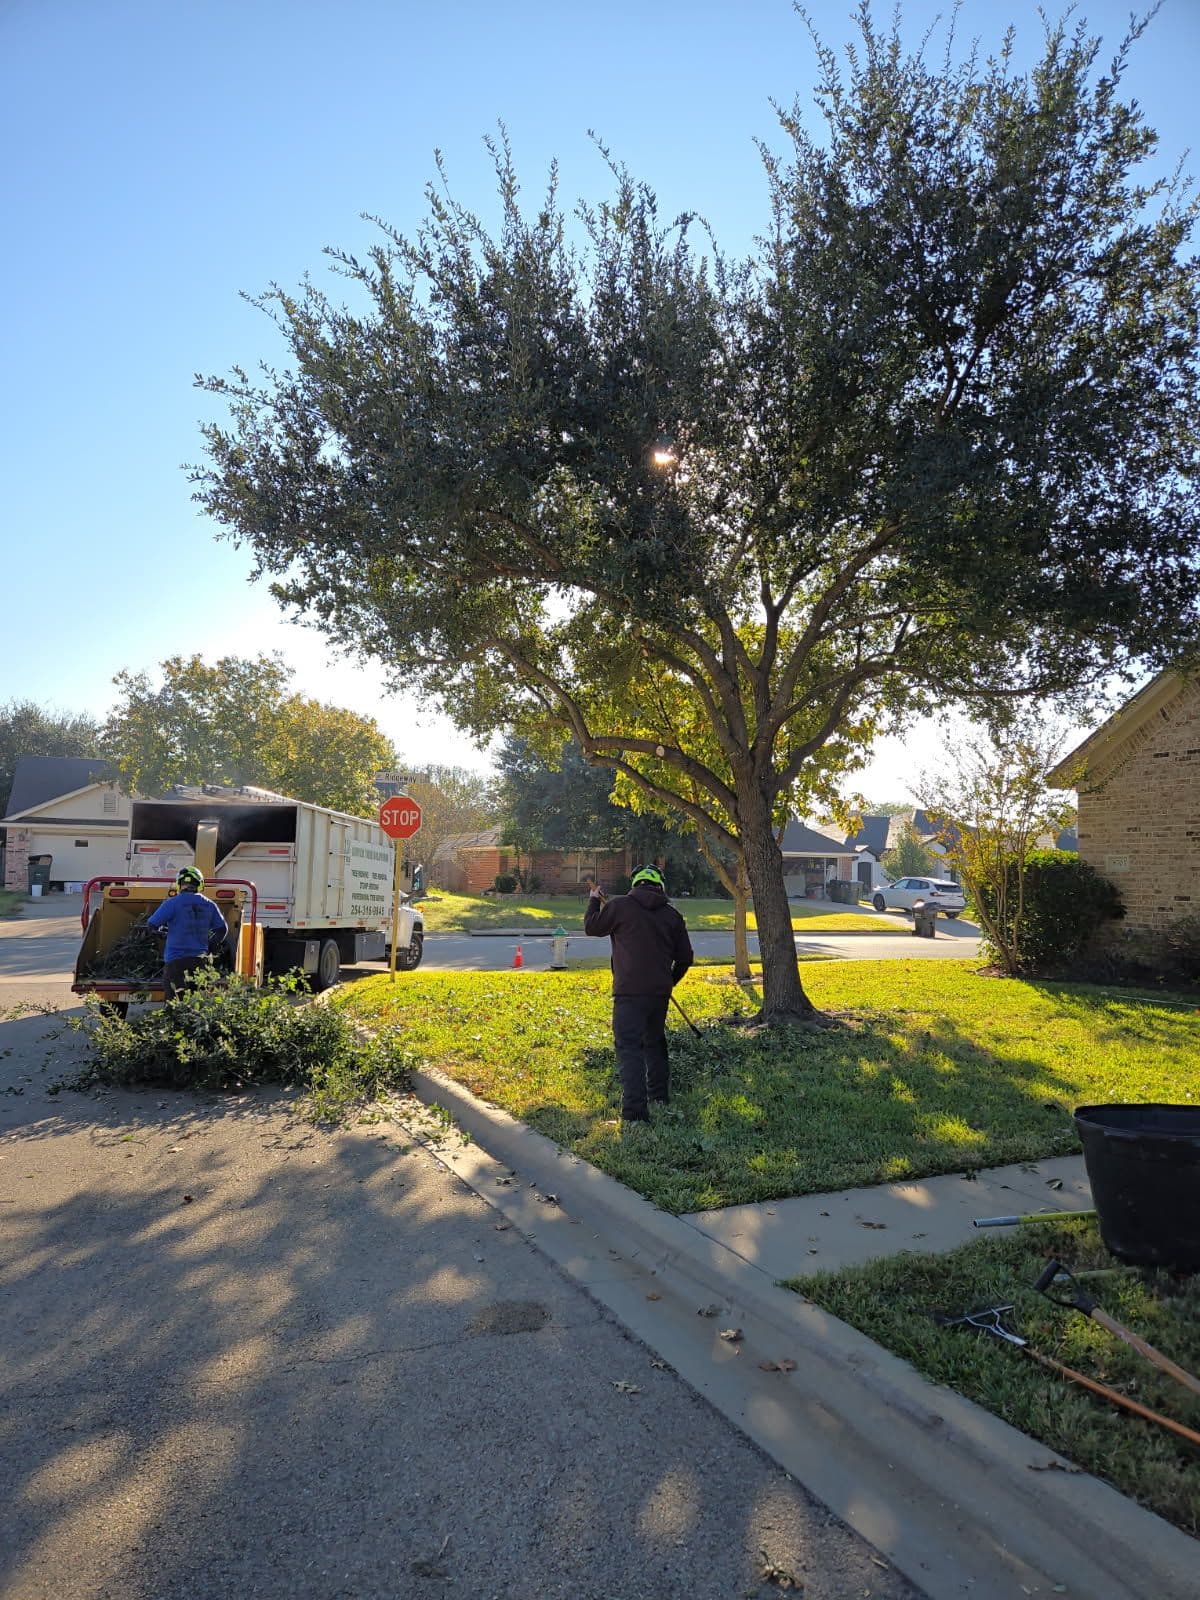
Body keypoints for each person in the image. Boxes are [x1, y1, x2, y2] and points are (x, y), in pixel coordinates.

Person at [584, 865, 694, 1124]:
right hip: (659, 993)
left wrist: (593, 901)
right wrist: (669, 982)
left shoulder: (620, 906)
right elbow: (685, 958)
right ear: (660, 886)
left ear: (635, 883)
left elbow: (592, 927)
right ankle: (659, 1097)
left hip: (629, 992)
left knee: (629, 1048)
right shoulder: (672, 915)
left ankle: (634, 1113)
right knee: (654, 1042)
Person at [146, 866, 229, 998]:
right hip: (200, 962)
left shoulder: (172, 903)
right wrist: (211, 945)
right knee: (197, 1003)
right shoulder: (209, 904)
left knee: (175, 1003)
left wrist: (161, 934)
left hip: (175, 962)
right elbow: (222, 929)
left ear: (179, 884)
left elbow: (152, 925)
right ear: (200, 884)